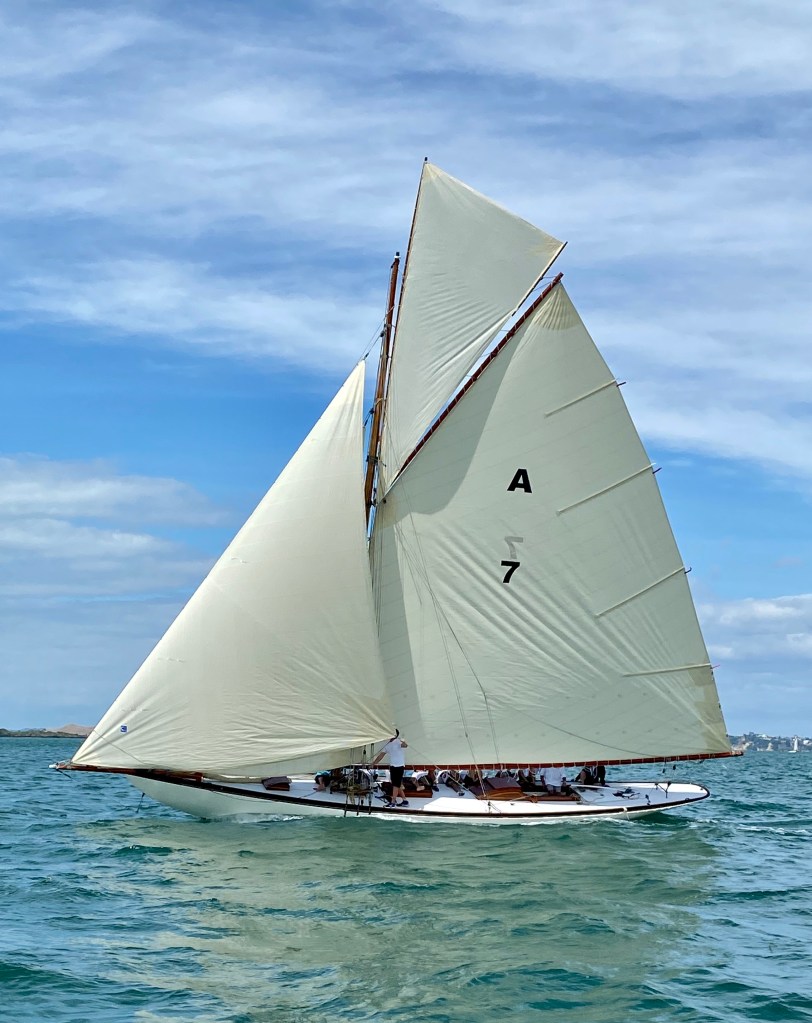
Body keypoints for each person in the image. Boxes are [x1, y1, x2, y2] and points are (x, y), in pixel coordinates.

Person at [372, 731, 409, 807]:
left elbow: (405, 745)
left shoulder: (398, 741)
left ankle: (393, 802)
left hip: (399, 766)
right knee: (397, 784)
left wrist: (403, 741)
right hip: (392, 766)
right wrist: (373, 764)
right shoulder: (387, 745)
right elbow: (380, 756)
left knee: (396, 784)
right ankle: (405, 801)